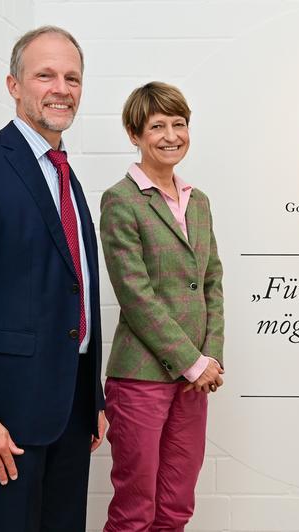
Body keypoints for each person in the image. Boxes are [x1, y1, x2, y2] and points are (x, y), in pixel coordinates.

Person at [0, 26, 105, 532]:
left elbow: (78, 290)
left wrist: (90, 398)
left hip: (70, 412)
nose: (61, 88)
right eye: (45, 75)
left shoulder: (66, 174)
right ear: (13, 85)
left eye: (72, 78)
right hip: (4, 419)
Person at [99, 81, 224, 532]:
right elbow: (135, 294)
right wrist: (191, 361)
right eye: (157, 126)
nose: (172, 135)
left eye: (179, 123)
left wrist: (210, 357)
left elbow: (211, 280)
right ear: (135, 134)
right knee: (136, 510)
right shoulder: (121, 201)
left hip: (195, 379)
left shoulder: (200, 202)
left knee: (176, 507)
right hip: (141, 377)